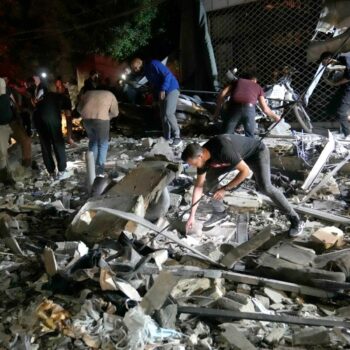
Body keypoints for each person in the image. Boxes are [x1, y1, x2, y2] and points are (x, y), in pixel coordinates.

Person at [182, 134, 304, 237]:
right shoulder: (203, 160)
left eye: (193, 163)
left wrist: (225, 189)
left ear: (200, 156)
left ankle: (295, 219)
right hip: (236, 158)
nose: (194, 166)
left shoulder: (223, 149)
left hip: (256, 153)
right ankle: (220, 213)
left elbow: (245, 171)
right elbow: (198, 187)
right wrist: (192, 216)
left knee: (265, 187)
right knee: (208, 181)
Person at [130, 58, 182, 147]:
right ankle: (167, 138)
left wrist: (162, 89)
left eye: (135, 68)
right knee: (163, 116)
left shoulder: (153, 63)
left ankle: (177, 138)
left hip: (171, 88)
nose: (135, 70)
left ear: (139, 63)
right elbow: (154, 85)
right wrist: (154, 97)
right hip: (162, 92)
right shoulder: (146, 72)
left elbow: (168, 75)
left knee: (169, 113)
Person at [214, 71, 280, 137]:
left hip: (234, 109)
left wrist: (216, 113)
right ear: (254, 80)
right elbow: (265, 109)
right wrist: (276, 117)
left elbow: (222, 94)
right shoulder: (258, 87)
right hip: (249, 110)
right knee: (250, 136)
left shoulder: (237, 81)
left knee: (225, 135)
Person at [77, 89, 119, 176]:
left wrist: (87, 115)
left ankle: (91, 168)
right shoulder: (110, 94)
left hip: (86, 119)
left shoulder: (87, 93)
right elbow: (115, 113)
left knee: (93, 141)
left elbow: (79, 109)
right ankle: (99, 170)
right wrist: (107, 117)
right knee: (103, 144)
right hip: (101, 119)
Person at [33, 86, 68, 179]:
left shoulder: (47, 95)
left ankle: (51, 171)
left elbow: (36, 105)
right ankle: (61, 170)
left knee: (45, 145)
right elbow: (68, 116)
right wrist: (69, 135)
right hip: (51, 119)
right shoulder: (65, 99)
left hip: (38, 118)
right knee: (57, 142)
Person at [321, 51, 350, 140]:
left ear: (328, 59)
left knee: (341, 112)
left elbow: (349, 76)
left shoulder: (344, 58)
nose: (324, 65)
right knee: (331, 109)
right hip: (345, 87)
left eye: (323, 62)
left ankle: (348, 135)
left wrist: (335, 84)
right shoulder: (339, 60)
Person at [0, 78, 15, 183]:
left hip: (4, 125)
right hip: (3, 125)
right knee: (2, 152)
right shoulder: (6, 94)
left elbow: (13, 103)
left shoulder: (6, 94)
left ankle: (5, 176)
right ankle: (5, 175)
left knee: (3, 152)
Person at [55, 77, 75, 146]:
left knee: (69, 121)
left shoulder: (65, 89)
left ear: (60, 82)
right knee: (60, 121)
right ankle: (62, 137)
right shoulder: (57, 90)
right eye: (56, 82)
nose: (57, 83)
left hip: (66, 106)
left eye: (58, 82)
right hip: (60, 107)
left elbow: (67, 97)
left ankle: (69, 137)